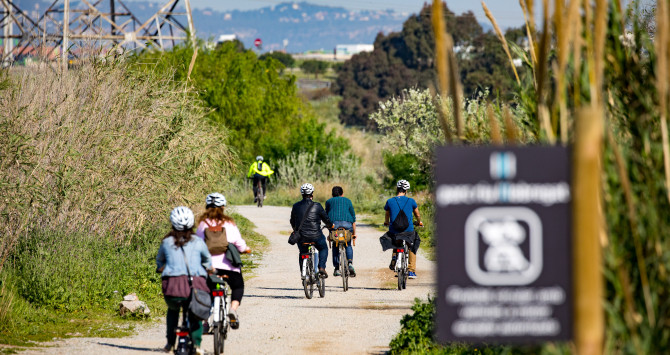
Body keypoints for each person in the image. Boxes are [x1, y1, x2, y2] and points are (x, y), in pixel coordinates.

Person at [156, 206, 212, 355]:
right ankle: (197, 345)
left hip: (172, 288)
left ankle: (169, 343)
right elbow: (207, 261)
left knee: (173, 310)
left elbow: (159, 262)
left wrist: (162, 268)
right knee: (195, 312)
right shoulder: (198, 242)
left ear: (172, 223)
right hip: (194, 286)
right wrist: (208, 268)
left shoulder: (166, 242)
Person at [195, 192, 251, 330]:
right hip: (229, 267)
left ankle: (207, 320)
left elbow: (196, 244)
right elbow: (239, 243)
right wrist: (245, 249)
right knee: (238, 286)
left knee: (207, 289)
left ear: (207, 207)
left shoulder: (203, 224)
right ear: (223, 207)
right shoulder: (229, 223)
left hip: (209, 268)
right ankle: (233, 309)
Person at [290, 183, 334, 278]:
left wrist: (295, 229)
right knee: (323, 248)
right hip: (316, 236)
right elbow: (326, 219)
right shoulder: (317, 206)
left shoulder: (296, 206)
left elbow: (292, 221)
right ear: (312, 194)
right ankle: (321, 268)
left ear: (302, 194)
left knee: (302, 252)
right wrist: (331, 226)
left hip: (301, 237)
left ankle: (304, 274)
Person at [384, 180, 423, 279]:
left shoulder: (390, 201)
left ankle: (394, 257)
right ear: (405, 190)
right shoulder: (411, 201)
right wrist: (419, 222)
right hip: (408, 230)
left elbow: (387, 214)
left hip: (394, 230)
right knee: (412, 244)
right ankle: (411, 271)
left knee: (395, 240)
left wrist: (386, 222)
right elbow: (417, 214)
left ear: (397, 189)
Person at [325, 186, 357, 277]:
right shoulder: (348, 201)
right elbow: (353, 219)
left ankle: (336, 268)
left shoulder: (328, 202)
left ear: (332, 195)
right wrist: (354, 234)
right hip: (347, 226)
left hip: (334, 226)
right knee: (348, 244)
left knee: (336, 244)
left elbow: (326, 218)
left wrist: (329, 233)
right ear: (342, 194)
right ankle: (350, 263)